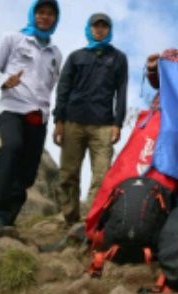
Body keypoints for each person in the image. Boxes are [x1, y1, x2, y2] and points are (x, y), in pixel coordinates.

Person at [0, 0, 63, 238]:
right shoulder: (12, 39)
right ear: (32, 14)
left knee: (28, 170)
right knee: (12, 148)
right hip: (13, 108)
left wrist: (51, 114)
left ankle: (8, 219)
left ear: (55, 19)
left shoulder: (56, 53)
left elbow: (51, 85)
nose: (44, 17)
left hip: (39, 116)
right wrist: (5, 80)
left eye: (50, 13)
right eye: (40, 12)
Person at [52, 13, 128, 225]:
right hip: (72, 122)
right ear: (90, 28)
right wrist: (58, 121)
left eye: (104, 26)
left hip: (103, 124)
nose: (100, 30)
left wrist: (117, 123)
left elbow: (121, 91)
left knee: (102, 175)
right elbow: (63, 89)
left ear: (109, 30)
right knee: (68, 174)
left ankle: (91, 222)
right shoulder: (76, 56)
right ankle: (70, 219)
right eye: (96, 26)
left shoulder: (118, 57)